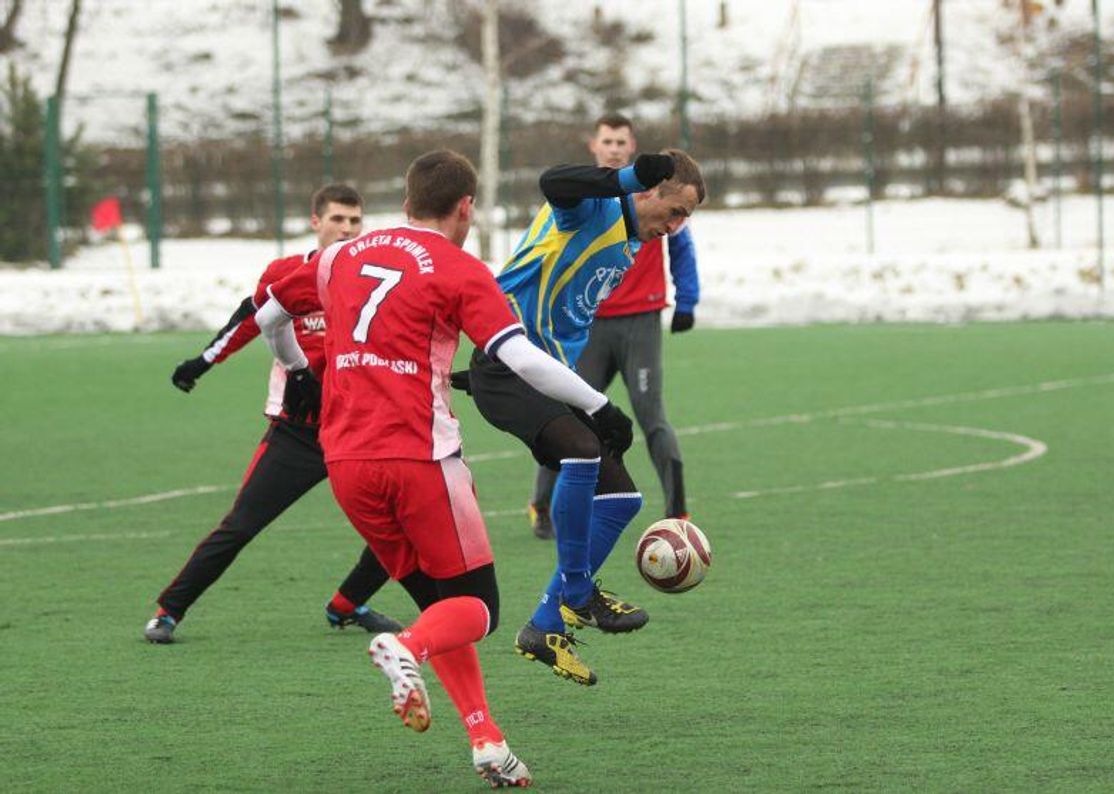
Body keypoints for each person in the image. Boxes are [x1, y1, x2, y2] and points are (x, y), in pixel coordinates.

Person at [254, 150, 632, 787]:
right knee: (477, 608)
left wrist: (301, 371)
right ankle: (404, 648)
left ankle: (487, 740)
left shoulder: (339, 255)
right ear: (466, 208)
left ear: (404, 205)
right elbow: (517, 358)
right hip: (420, 459)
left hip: (345, 462)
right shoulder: (459, 268)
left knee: (441, 608)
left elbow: (268, 316)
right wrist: (598, 405)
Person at [457, 146, 706, 685]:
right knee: (583, 452)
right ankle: (576, 591)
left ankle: (545, 624)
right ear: (647, 192)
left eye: (687, 218)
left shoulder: (633, 243)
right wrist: (625, 176)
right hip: (507, 362)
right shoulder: (593, 209)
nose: (679, 224)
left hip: (547, 376)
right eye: (677, 210)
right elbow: (553, 179)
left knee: (623, 497)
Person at [143, 184, 400, 644]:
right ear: (315, 221)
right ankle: (168, 611)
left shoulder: (373, 277)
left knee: (403, 523)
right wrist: (204, 361)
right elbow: (251, 317)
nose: (346, 229)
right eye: (337, 219)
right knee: (240, 526)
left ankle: (347, 604)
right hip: (297, 436)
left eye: (355, 220)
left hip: (359, 432)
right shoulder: (288, 274)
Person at [527, 113, 699, 539]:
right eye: (609, 140)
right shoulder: (589, 201)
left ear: (632, 144)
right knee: (570, 416)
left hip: (640, 323)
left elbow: (682, 246)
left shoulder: (662, 210)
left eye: (623, 141)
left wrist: (687, 300)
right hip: (593, 326)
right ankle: (541, 504)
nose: (616, 147)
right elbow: (555, 188)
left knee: (651, 417)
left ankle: (677, 513)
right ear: (595, 146)